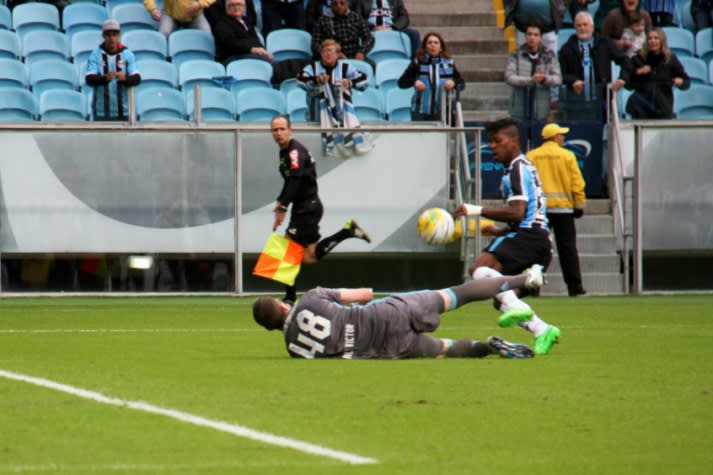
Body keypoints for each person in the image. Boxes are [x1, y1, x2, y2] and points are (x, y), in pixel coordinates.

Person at [252, 267, 546, 359]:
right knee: (458, 294)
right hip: (384, 314)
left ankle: (489, 348)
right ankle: (526, 280)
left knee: (444, 349)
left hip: (382, 348)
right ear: (282, 305)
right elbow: (365, 295)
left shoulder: (293, 350)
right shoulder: (310, 298)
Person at [453, 118, 560, 356]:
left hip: (529, 236)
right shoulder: (520, 168)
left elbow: (518, 212)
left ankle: (528, 284)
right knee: (500, 299)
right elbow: (523, 213)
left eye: (497, 141)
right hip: (536, 239)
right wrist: (499, 231)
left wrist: (475, 210)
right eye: (490, 142)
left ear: (514, 141)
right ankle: (543, 330)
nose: (492, 146)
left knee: (480, 269)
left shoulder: (518, 169)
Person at [270, 114, 372, 304]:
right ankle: (347, 231)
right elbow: (290, 181)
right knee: (309, 257)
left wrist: (283, 206)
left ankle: (290, 299)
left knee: (285, 253)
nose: (278, 133)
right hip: (305, 208)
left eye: (282, 129)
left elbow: (296, 179)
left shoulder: (294, 152)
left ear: (290, 130)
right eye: (275, 129)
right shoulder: (285, 151)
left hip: (308, 208)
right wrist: (280, 201)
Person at [527, 123, 587, 297]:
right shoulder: (567, 156)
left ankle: (532, 287)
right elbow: (577, 183)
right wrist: (579, 205)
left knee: (537, 250)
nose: (563, 137)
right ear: (554, 137)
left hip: (539, 211)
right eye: (561, 135)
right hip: (563, 211)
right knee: (568, 250)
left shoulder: (531, 155)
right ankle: (575, 288)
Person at [297, 39, 371, 156]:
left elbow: (365, 80)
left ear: (338, 54)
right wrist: (316, 80)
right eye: (325, 51)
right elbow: (300, 80)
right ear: (321, 54)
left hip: (341, 117)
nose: (328, 54)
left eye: (331, 51)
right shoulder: (312, 67)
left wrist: (349, 82)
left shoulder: (345, 67)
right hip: (316, 117)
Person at [558, 11, 631, 120]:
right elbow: (561, 73)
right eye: (579, 25)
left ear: (592, 27)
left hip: (602, 102)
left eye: (585, 25)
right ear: (575, 28)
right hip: (576, 104)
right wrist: (573, 80)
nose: (582, 28)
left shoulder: (605, 43)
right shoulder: (566, 49)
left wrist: (622, 78)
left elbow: (626, 61)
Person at [397, 32, 465, 121]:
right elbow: (401, 83)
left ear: (441, 47)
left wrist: (454, 83)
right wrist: (415, 82)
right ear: (425, 47)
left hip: (443, 111)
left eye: (436, 43)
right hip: (420, 110)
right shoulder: (418, 62)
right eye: (430, 43)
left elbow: (461, 83)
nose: (433, 45)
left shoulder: (449, 63)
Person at [625, 27, 690, 119]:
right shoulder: (638, 59)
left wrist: (681, 82)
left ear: (662, 41)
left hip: (663, 108)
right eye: (650, 38)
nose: (652, 41)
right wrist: (638, 73)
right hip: (641, 109)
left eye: (656, 38)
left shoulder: (670, 59)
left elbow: (687, 82)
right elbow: (627, 85)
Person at [85, 19, 142, 121]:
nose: (111, 38)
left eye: (114, 34)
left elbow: (137, 78)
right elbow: (89, 79)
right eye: (108, 34)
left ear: (119, 35)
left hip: (124, 111)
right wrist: (104, 78)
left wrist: (125, 79)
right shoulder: (95, 55)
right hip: (101, 112)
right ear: (103, 35)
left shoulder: (127, 54)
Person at [505, 22, 562, 121]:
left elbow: (558, 79)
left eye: (536, 35)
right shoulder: (516, 54)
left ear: (541, 37)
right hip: (519, 106)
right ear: (525, 36)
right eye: (529, 34)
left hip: (541, 108)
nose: (532, 37)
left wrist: (544, 79)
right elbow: (509, 77)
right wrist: (531, 80)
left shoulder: (549, 55)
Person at [311, 0, 375, 66]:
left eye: (342, 3)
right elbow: (315, 44)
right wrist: (331, 53)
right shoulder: (322, 20)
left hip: (354, 56)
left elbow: (369, 38)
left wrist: (361, 52)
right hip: (330, 57)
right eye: (335, 4)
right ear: (331, 5)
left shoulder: (356, 18)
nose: (339, 6)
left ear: (347, 4)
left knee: (371, 65)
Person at [353, 0, 421, 60]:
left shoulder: (396, 1)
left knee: (414, 33)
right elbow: (357, 18)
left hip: (392, 29)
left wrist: (393, 27)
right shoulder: (361, 1)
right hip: (371, 30)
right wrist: (372, 27)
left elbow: (404, 17)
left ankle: (415, 63)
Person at [212, 0, 273, 65]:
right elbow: (231, 43)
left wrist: (263, 51)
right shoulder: (222, 23)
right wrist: (251, 49)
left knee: (270, 61)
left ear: (244, 7)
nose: (236, 7)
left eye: (239, 4)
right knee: (264, 62)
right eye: (232, 5)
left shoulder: (247, 21)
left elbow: (256, 40)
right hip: (230, 59)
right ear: (226, 7)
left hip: (248, 56)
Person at [144, 0, 215, 38]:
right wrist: (152, 9)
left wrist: (200, 3)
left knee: (207, 35)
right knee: (163, 34)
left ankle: (205, 60)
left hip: (195, 16)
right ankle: (165, 59)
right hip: (170, 15)